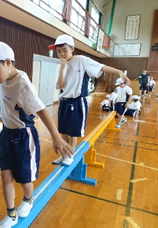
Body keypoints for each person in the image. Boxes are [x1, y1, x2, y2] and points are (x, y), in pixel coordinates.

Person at [0, 41, 74, 228]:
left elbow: (42, 110)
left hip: (23, 137)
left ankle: (28, 199)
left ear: (8, 62)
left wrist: (57, 137)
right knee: (6, 176)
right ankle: (11, 214)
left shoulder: (23, 85)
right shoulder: (4, 76)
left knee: (25, 179)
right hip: (6, 135)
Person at [48, 34, 130, 165]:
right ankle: (64, 155)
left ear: (72, 48)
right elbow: (60, 86)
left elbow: (101, 67)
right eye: (59, 52)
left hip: (77, 101)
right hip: (64, 101)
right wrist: (63, 68)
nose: (62, 54)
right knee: (62, 131)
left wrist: (119, 71)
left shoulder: (81, 60)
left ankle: (70, 155)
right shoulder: (60, 67)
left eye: (65, 50)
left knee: (72, 131)